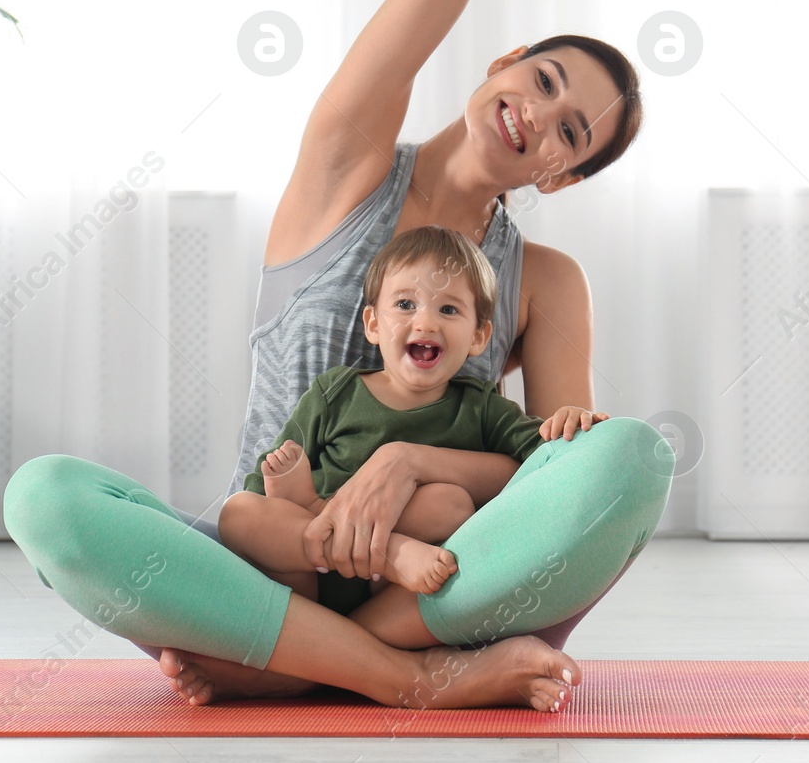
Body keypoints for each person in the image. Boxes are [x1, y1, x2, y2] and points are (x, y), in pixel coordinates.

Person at [3, 0, 802, 714]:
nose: (539, 113)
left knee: (635, 456)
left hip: (429, 580)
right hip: (266, 565)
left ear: (561, 176)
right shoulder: (347, 164)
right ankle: (402, 678)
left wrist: (406, 460)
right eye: (544, 80)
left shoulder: (549, 283)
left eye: (570, 131)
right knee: (45, 497)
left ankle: (280, 661)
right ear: (505, 65)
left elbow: (543, 484)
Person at [219, 225, 610, 610]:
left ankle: (330, 527)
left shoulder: (480, 407)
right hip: (308, 572)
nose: (425, 322)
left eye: (449, 309)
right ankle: (384, 550)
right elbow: (264, 479)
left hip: (388, 595)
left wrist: (573, 420)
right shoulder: (335, 392)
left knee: (450, 504)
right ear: (373, 324)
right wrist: (278, 491)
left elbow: (543, 455)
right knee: (238, 511)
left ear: (478, 336)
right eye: (405, 305)